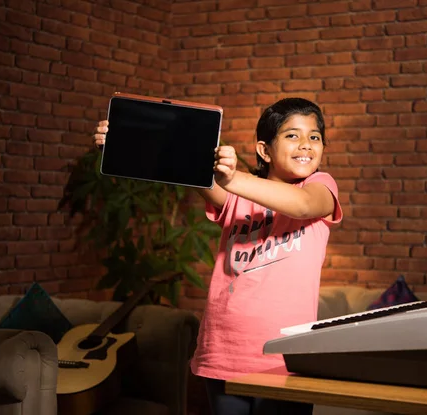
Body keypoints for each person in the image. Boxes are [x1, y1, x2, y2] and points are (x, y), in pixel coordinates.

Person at [93, 97, 343, 415]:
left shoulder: (320, 186)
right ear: (265, 150)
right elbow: (180, 165)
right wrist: (123, 143)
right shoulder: (234, 196)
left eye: (314, 136)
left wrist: (232, 177)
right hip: (224, 352)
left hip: (287, 358)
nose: (306, 144)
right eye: (292, 135)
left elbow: (304, 205)